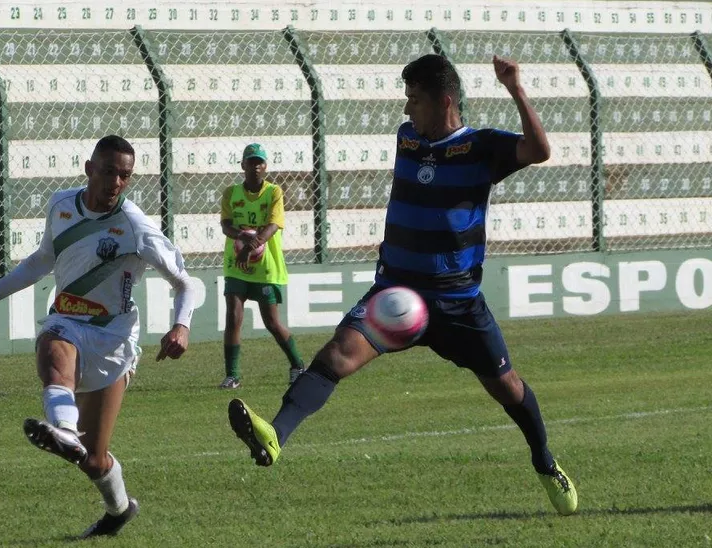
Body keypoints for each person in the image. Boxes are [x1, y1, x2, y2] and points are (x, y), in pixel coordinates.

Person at [226, 55, 579, 516]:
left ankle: (545, 462)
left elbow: (539, 150)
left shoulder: (481, 147)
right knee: (335, 355)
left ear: (445, 101)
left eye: (415, 99)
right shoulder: (408, 137)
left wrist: (515, 89)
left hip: (457, 303)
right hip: (396, 293)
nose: (408, 109)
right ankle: (275, 434)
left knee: (508, 387)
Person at [0, 135, 196, 537]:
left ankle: (118, 510)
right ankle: (63, 427)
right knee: (52, 349)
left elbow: (186, 283)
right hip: (68, 320)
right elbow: (43, 259)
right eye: (110, 171)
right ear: (89, 169)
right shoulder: (61, 205)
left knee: (94, 461)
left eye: (126, 175)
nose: (117, 182)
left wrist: (181, 325)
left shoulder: (136, 226)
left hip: (114, 339)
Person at [218, 143, 305, 389]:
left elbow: (273, 225)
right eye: (251, 162)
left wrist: (250, 244)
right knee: (233, 317)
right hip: (237, 265)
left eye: (260, 162)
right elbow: (225, 225)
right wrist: (241, 237)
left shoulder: (274, 192)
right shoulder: (230, 193)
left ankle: (298, 364)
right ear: (242, 166)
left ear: (265, 166)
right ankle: (232, 375)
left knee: (272, 323)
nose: (255, 167)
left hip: (266, 267)